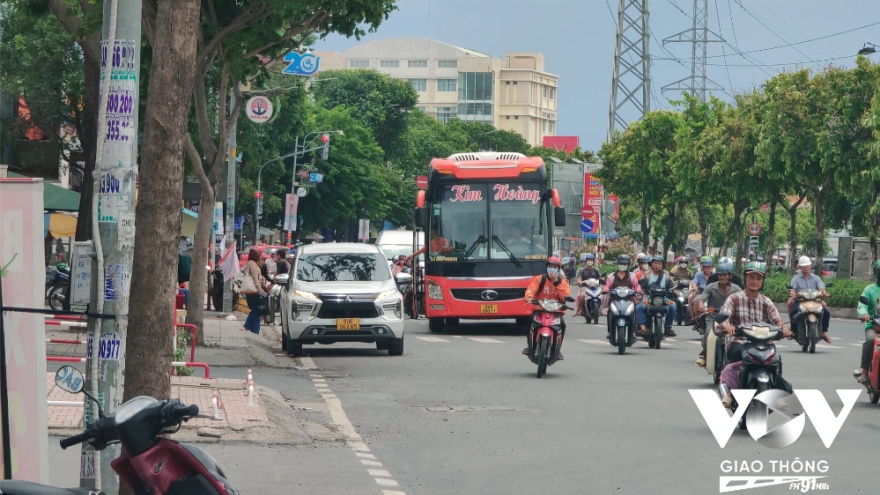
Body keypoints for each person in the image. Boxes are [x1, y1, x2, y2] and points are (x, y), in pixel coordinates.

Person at [717, 262, 792, 407]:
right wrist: (726, 325)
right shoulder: (734, 298)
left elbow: (777, 321)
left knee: (777, 359)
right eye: (751, 277)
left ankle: (776, 392)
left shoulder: (766, 302)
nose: (754, 281)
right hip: (739, 341)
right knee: (737, 353)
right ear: (745, 278)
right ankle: (730, 393)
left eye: (758, 278)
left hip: (763, 344)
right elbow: (724, 314)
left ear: (762, 281)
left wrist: (785, 330)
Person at [693, 261, 742, 368]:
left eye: (725, 275)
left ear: (730, 276)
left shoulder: (736, 289)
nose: (722, 277)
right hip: (713, 316)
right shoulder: (711, 287)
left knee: (738, 336)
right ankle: (705, 356)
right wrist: (701, 306)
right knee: (708, 334)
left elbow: (744, 300)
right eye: (720, 274)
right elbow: (702, 298)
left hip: (730, 318)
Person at [522, 256, 571, 360]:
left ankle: (558, 349)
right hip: (540, 309)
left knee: (562, 324)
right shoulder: (540, 279)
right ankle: (529, 346)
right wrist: (529, 297)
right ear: (546, 267)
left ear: (558, 269)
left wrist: (556, 283)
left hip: (556, 310)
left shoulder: (562, 282)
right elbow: (530, 290)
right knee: (530, 320)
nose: (552, 269)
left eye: (554, 267)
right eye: (550, 266)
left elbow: (565, 296)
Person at [788, 255, 832, 344]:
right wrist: (794, 295)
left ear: (810, 266)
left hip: (815, 300)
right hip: (801, 301)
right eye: (803, 266)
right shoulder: (796, 278)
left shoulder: (816, 278)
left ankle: (824, 332)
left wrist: (823, 293)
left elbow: (821, 289)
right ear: (799, 267)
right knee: (793, 311)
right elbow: (792, 290)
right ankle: (793, 330)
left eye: (807, 265)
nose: (805, 268)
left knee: (826, 312)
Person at [636, 255, 677, 337]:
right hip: (648, 298)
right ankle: (643, 328)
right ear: (651, 264)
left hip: (663, 299)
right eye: (655, 263)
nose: (657, 265)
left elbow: (671, 287)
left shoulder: (666, 275)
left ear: (662, 265)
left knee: (673, 306)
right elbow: (640, 286)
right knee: (639, 308)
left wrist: (674, 291)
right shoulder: (646, 274)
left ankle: (668, 328)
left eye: (659, 264)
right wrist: (640, 292)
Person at [855, 260, 880, 383]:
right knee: (871, 340)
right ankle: (865, 371)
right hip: (874, 325)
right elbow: (862, 305)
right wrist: (864, 314)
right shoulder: (870, 289)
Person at [241, 248, 269, 335]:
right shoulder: (252, 264)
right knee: (257, 311)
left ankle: (251, 329)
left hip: (251, 291)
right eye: (259, 255)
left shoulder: (248, 264)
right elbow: (255, 278)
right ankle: (250, 328)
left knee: (255, 310)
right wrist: (260, 289)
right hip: (255, 291)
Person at [688, 256, 715, 324]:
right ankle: (696, 318)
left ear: (712, 268)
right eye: (706, 267)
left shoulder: (715, 276)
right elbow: (694, 284)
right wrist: (696, 289)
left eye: (710, 267)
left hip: (712, 294)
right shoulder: (698, 274)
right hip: (701, 293)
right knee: (695, 300)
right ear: (703, 267)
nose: (708, 269)